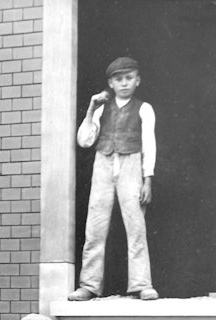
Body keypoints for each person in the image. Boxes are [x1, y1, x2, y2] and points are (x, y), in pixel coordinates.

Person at [69, 57, 158, 302]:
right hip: (103, 164)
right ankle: (88, 285)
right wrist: (90, 108)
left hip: (131, 165)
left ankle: (142, 284)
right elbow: (85, 140)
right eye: (119, 79)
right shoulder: (100, 109)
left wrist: (147, 179)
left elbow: (149, 145)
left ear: (137, 80)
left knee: (135, 226)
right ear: (111, 83)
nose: (124, 83)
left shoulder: (144, 108)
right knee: (95, 226)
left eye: (129, 78)